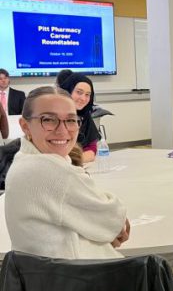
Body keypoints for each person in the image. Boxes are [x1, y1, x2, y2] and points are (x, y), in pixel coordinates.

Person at [5, 86, 129, 259]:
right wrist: (114, 221)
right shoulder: (47, 169)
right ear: (25, 126)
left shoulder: (24, 160)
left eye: (70, 120)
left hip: (54, 278)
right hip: (85, 281)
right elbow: (112, 222)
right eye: (48, 120)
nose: (62, 130)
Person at [60, 73, 101, 163]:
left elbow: (92, 148)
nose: (83, 98)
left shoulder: (84, 115)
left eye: (87, 94)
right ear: (68, 91)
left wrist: (76, 161)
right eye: (79, 92)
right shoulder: (53, 115)